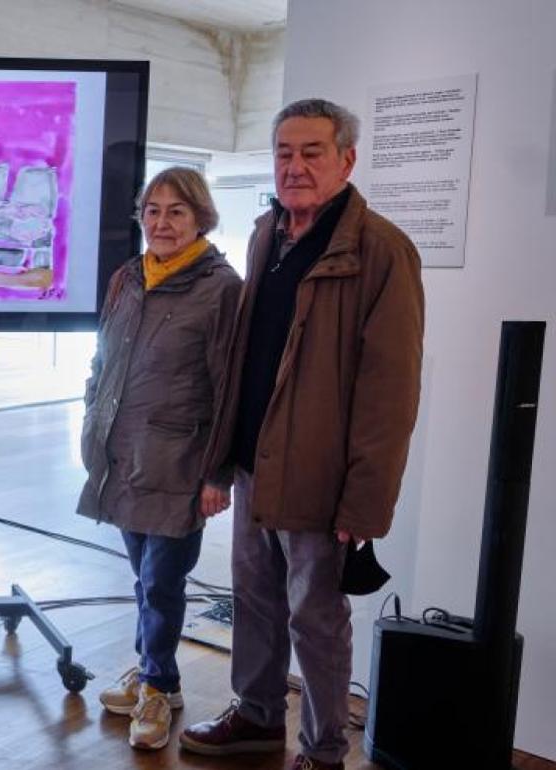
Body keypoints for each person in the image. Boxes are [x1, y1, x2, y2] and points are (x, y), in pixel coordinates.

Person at [179, 98, 424, 770]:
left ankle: (322, 750)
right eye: (284, 152)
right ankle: (257, 716)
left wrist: (365, 503)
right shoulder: (267, 234)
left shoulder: (381, 252)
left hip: (321, 474)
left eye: (312, 152)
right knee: (254, 601)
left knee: (314, 618)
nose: (295, 166)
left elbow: (390, 392)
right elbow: (247, 355)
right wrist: (222, 460)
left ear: (347, 159)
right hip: (258, 460)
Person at [78, 167, 242, 751]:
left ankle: (157, 685)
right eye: (152, 209)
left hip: (180, 461)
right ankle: (157, 679)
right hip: (123, 455)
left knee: (162, 582)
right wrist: (91, 422)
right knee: (143, 581)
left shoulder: (221, 287)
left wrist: (219, 472)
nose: (162, 222)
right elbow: (102, 358)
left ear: (201, 217)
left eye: (176, 211)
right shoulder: (127, 277)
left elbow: (232, 387)